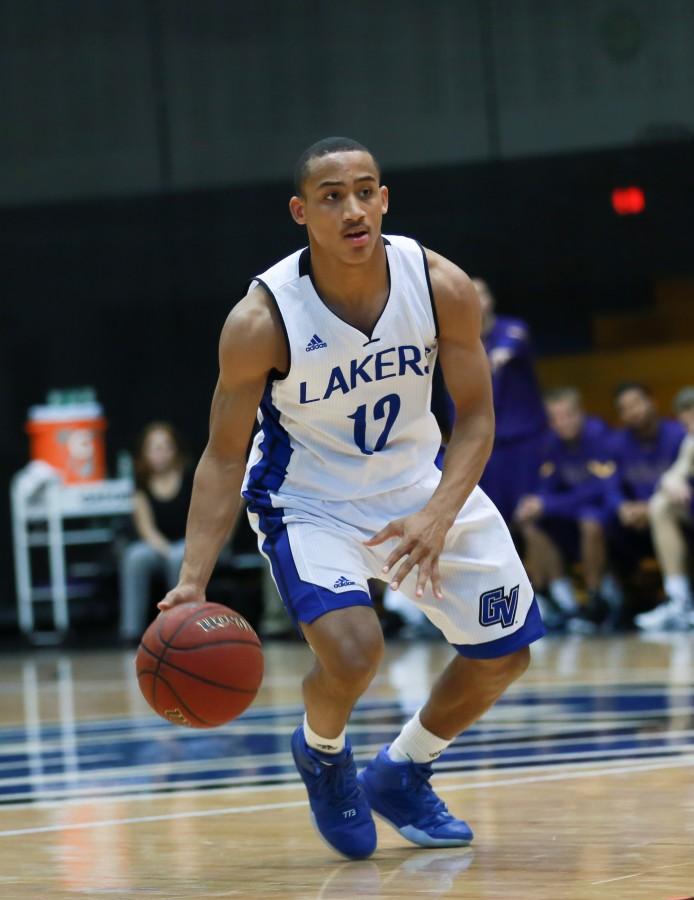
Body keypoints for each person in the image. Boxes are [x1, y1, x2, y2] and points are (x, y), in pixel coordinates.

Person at [158, 136, 545, 861]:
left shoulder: (439, 285)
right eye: (333, 196)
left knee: (505, 654)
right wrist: (191, 580)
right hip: (309, 499)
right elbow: (220, 453)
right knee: (354, 651)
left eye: (366, 190)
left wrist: (436, 514)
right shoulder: (262, 321)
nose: (353, 208)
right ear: (302, 212)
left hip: (420, 484)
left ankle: (403, 770)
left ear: (385, 200)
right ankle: (323, 751)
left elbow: (478, 420)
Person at [515, 387, 621, 632]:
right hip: (570, 516)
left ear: (580, 413)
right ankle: (563, 601)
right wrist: (533, 503)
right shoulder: (550, 443)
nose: (562, 423)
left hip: (606, 517)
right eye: (555, 418)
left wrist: (549, 504)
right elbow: (545, 486)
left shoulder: (599, 436)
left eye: (568, 415)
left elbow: (600, 489)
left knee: (590, 520)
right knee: (530, 525)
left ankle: (596, 597)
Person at [473, 278, 547, 524]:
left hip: (525, 440)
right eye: (470, 295)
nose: (477, 300)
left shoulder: (513, 329)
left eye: (481, 294)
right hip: (487, 446)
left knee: (531, 518)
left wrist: (493, 360)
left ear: (491, 299)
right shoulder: (459, 342)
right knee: (494, 517)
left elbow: (509, 348)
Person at [608, 383, 686, 600]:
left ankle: (680, 597)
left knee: (666, 512)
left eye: (637, 403)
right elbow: (609, 486)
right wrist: (622, 506)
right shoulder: (616, 443)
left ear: (653, 402)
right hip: (637, 521)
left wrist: (650, 507)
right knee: (604, 523)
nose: (633, 411)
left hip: (676, 513)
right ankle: (627, 599)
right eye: (625, 408)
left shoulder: (678, 434)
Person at [119, 422, 192, 643]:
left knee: (179, 557)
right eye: (154, 448)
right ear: (145, 453)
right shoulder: (141, 484)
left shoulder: (190, 478)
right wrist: (165, 550)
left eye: (165, 447)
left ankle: (180, 629)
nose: (160, 453)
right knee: (135, 557)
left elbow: (202, 521)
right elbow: (146, 529)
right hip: (159, 544)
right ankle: (131, 632)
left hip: (191, 542)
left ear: (175, 450)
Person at [634, 386, 694, 631]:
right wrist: (672, 481)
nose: (689, 428)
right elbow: (673, 474)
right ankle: (679, 599)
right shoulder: (691, 442)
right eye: (686, 422)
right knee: (660, 506)